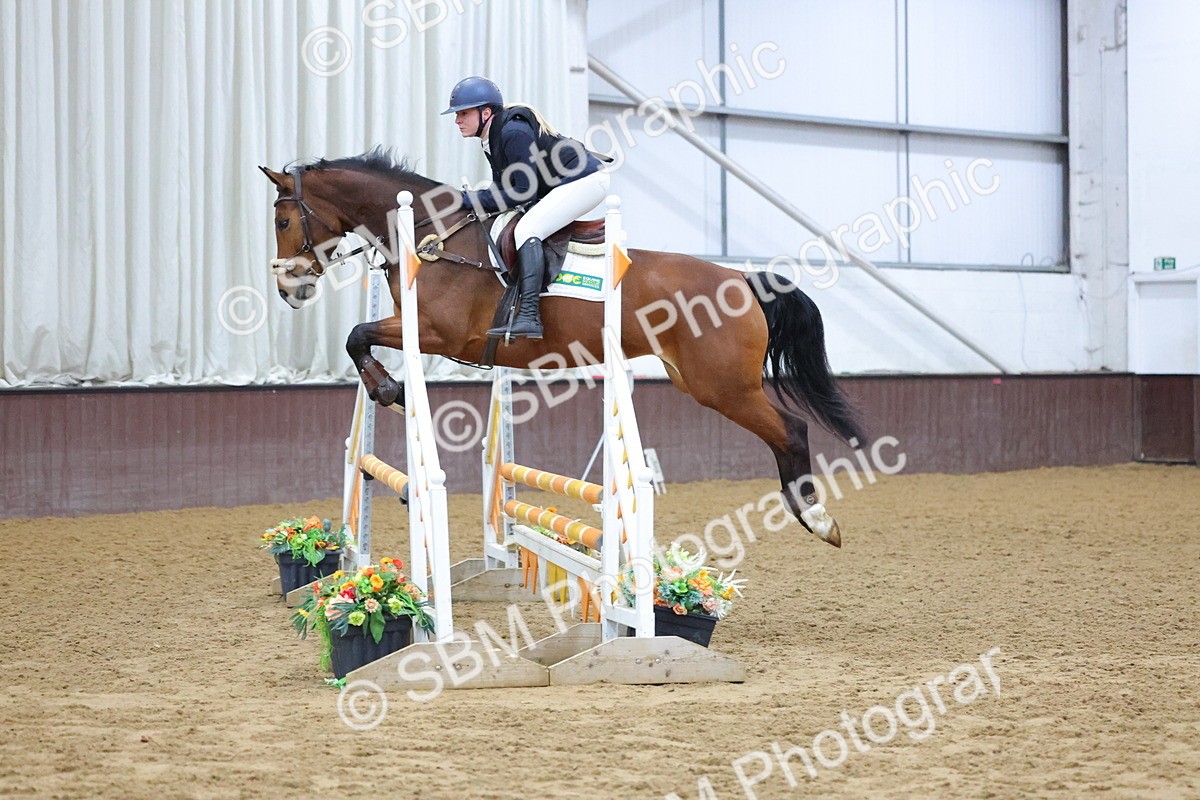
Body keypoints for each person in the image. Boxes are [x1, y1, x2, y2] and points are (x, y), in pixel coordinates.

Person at [443, 76, 610, 340]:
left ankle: (530, 316)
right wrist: (470, 200)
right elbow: (502, 189)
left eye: (463, 113)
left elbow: (523, 191)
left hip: (585, 182)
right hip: (564, 183)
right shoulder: (492, 137)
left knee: (527, 229)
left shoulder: (512, 133)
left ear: (485, 112)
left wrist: (471, 199)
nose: (457, 120)